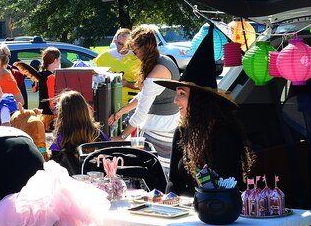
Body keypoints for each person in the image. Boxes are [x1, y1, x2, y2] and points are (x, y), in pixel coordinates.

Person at [157, 23, 253, 196]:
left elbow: (227, 186)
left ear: (199, 100)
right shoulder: (182, 131)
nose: (175, 100)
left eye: (182, 94)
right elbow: (173, 181)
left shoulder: (224, 133)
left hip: (217, 212)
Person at [107, 25, 180, 173]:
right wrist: (121, 111)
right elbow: (144, 95)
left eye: (136, 50)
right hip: (167, 124)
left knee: (156, 172)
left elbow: (141, 112)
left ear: (146, 47)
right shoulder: (165, 60)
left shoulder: (157, 72)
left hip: (158, 129)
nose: (135, 54)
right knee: (162, 170)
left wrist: (122, 137)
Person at [49, 89, 108, 176]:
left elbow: (54, 160)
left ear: (63, 113)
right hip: (96, 182)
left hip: (70, 183)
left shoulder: (61, 137)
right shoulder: (98, 134)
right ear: (85, 109)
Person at [93, 28, 140, 105]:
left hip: (131, 103)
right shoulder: (103, 57)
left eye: (127, 45)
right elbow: (94, 79)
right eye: (120, 44)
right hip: (107, 102)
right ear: (115, 42)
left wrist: (127, 83)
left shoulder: (137, 58)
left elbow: (146, 84)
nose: (124, 47)